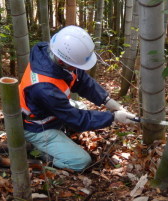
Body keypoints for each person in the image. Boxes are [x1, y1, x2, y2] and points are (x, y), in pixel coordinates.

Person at [19, 25, 136, 172]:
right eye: (75, 65)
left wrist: (107, 100)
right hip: (37, 127)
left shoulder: (52, 54)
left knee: (83, 108)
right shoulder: (43, 87)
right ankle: (40, 153)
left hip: (51, 112)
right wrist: (113, 118)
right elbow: (77, 119)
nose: (77, 68)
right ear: (62, 61)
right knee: (81, 161)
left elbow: (82, 81)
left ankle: (61, 134)